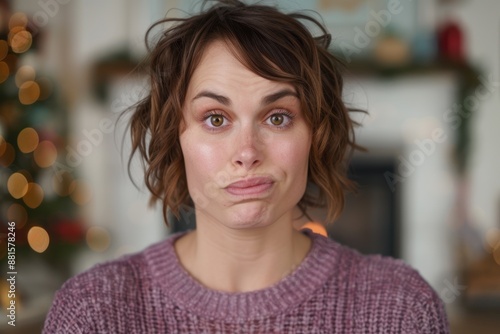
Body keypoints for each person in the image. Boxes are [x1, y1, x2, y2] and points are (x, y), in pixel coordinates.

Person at [43, 0, 449, 333]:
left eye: (278, 117)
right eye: (216, 118)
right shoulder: (92, 313)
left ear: (315, 135)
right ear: (174, 137)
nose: (247, 152)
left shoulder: (401, 310)